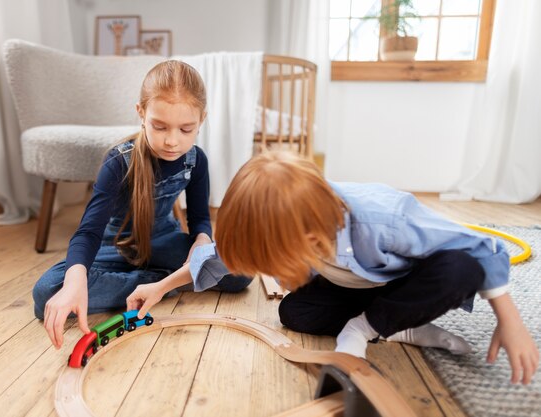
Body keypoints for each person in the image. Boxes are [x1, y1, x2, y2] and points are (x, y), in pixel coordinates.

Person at [209, 150, 537, 385]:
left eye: (272, 263)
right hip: (354, 284)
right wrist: (163, 286)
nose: (274, 274)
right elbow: (224, 252)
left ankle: (366, 327)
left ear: (308, 238)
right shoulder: (287, 223)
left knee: (461, 269)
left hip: (402, 285)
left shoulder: (386, 219)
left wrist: (510, 320)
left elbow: (480, 247)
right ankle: (401, 328)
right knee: (294, 313)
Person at [33, 60, 250, 349]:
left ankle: (157, 285)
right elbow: (88, 233)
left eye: (186, 129)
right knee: (47, 292)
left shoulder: (196, 161)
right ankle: (164, 284)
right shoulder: (117, 161)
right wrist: (75, 281)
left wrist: (201, 239)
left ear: (202, 120)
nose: (172, 141)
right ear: (141, 113)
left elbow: (199, 218)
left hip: (164, 241)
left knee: (240, 273)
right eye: (159, 126)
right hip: (113, 246)